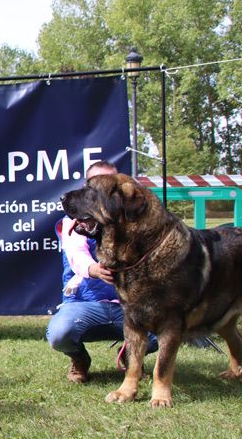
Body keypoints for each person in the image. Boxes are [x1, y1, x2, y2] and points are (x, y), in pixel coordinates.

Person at [46, 161, 158, 383]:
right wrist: (93, 269)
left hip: (127, 306)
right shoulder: (74, 222)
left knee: (159, 334)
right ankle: (79, 359)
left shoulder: (133, 221)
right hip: (84, 305)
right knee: (60, 334)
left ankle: (132, 357)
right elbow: (76, 255)